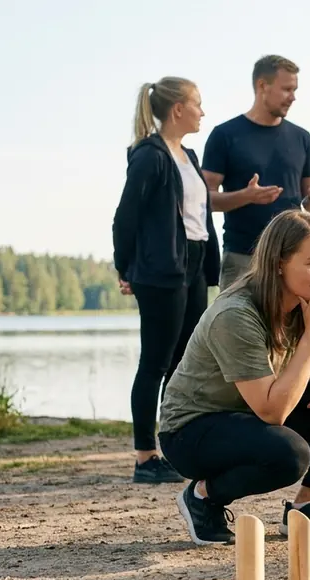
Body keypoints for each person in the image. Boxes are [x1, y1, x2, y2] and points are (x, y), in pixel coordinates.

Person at [158, 210, 310, 546]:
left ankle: (307, 504)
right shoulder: (236, 313)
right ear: (279, 263)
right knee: (291, 455)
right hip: (191, 430)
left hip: (251, 413)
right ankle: (203, 497)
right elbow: (273, 413)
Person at [112, 76, 221, 484]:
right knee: (155, 362)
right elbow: (127, 217)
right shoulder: (150, 156)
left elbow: (200, 218)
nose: (202, 111)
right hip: (161, 270)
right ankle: (145, 458)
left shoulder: (188, 154)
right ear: (179, 109)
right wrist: (125, 268)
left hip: (192, 266)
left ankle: (175, 451)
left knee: (182, 364)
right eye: (198, 104)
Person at [201, 54, 310, 291]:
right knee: (236, 328)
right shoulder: (224, 135)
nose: (293, 97)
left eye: (294, 90)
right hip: (242, 258)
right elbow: (204, 199)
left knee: (292, 329)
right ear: (262, 85)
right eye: (286, 89)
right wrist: (247, 196)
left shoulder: (302, 138)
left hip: (293, 258)